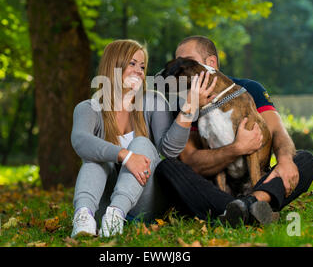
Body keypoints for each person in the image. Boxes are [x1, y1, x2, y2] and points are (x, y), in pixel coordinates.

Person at [155, 36, 313, 227]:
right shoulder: (182, 105)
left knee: (304, 160)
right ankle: (251, 210)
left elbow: (278, 133)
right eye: (178, 62)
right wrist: (236, 148)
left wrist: (285, 161)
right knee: (168, 167)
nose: (179, 68)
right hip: (217, 188)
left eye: (187, 61)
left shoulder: (249, 89)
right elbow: (191, 162)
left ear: (211, 63)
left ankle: (245, 206)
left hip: (257, 178)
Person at [70, 39, 217, 237]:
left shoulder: (153, 101)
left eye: (142, 66)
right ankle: (84, 217)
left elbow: (170, 151)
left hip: (144, 203)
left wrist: (189, 108)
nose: (139, 71)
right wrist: (126, 156)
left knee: (141, 142)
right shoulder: (89, 108)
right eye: (132, 63)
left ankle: (116, 215)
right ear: (113, 64)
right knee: (95, 158)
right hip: (101, 206)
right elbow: (80, 140)